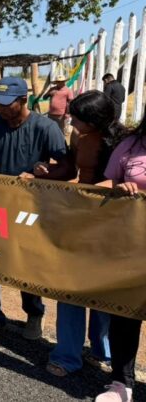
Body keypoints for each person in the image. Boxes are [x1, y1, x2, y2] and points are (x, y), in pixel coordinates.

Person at [0, 76, 73, 341]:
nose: (2, 109)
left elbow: (68, 168)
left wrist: (41, 175)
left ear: (23, 101)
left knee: (25, 264)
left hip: (31, 208)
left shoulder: (45, 127)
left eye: (7, 104)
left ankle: (34, 315)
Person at [36, 91, 125, 377]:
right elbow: (70, 171)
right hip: (80, 220)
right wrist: (45, 172)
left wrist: (107, 188)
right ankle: (67, 355)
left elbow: (130, 180)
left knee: (102, 292)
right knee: (70, 289)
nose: (70, 120)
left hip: (113, 224)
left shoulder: (125, 141)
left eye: (77, 117)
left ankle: (102, 351)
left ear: (95, 119)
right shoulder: (80, 138)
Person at [94, 109, 146, 402]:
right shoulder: (130, 144)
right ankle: (121, 383)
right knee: (124, 314)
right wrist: (119, 188)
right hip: (130, 246)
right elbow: (104, 185)